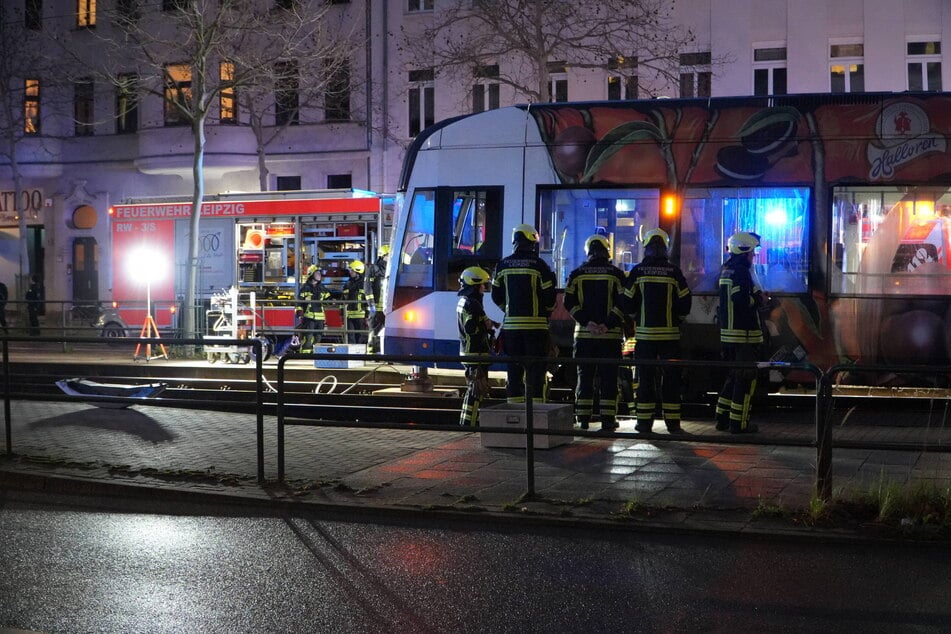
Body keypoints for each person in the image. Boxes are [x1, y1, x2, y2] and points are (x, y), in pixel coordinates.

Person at [625, 229, 692, 434]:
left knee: (645, 379)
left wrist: (636, 317)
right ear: (665, 248)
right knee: (671, 379)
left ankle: (644, 424)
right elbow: (685, 302)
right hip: (670, 336)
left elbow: (627, 302)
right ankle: (673, 424)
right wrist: (675, 321)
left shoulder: (638, 271)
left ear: (646, 248)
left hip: (644, 337)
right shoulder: (674, 272)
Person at [563, 235, 627, 432]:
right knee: (609, 376)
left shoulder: (577, 274)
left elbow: (568, 302)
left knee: (585, 376)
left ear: (588, 251)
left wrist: (587, 323)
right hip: (610, 337)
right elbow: (624, 302)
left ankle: (583, 418)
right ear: (607, 251)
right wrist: (607, 324)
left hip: (584, 336)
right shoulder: (616, 274)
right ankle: (608, 420)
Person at [491, 224, 557, 404]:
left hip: (511, 329)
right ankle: (535, 416)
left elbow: (495, 295)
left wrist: (508, 309)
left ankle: (516, 415)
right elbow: (550, 297)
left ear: (515, 242)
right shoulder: (540, 265)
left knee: (514, 371)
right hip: (536, 329)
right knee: (536, 372)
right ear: (532, 243)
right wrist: (545, 313)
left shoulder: (502, 265)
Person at [716, 231, 769, 434]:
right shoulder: (741, 271)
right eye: (753, 252)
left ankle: (722, 418)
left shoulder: (727, 269)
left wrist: (756, 294)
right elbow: (740, 300)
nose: (754, 256)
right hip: (743, 335)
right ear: (745, 250)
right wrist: (758, 301)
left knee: (734, 376)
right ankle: (739, 423)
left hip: (730, 334)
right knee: (746, 380)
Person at [457, 266, 496, 426]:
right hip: (475, 354)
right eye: (482, 285)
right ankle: (468, 424)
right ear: (474, 285)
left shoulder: (464, 301)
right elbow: (471, 328)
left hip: (469, 353)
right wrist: (485, 326)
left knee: (474, 390)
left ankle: (469, 421)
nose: (484, 288)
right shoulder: (472, 305)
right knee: (476, 390)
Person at [297, 265, 332, 353]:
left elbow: (328, 298)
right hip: (309, 316)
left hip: (320, 317)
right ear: (311, 274)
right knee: (308, 336)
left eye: (320, 273)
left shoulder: (322, 288)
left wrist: (331, 301)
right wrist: (299, 311)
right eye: (317, 273)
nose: (319, 275)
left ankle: (315, 353)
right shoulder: (305, 288)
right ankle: (305, 354)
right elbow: (299, 301)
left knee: (318, 337)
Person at [366, 245, 389, 353]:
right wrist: (371, 305)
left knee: (386, 330)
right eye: (389, 255)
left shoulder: (390, 269)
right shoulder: (373, 269)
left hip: (387, 307)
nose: (390, 257)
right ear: (382, 256)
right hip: (376, 306)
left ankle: (384, 351)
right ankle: (373, 352)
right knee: (375, 330)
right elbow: (367, 287)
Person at [343, 259, 369, 345]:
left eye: (352, 270)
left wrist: (367, 315)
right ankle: (351, 356)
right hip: (349, 315)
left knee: (360, 337)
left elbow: (368, 301)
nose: (350, 272)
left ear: (358, 271)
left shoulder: (364, 284)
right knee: (350, 337)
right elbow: (343, 299)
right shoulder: (347, 284)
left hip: (360, 316)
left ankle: (359, 355)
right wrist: (341, 312)